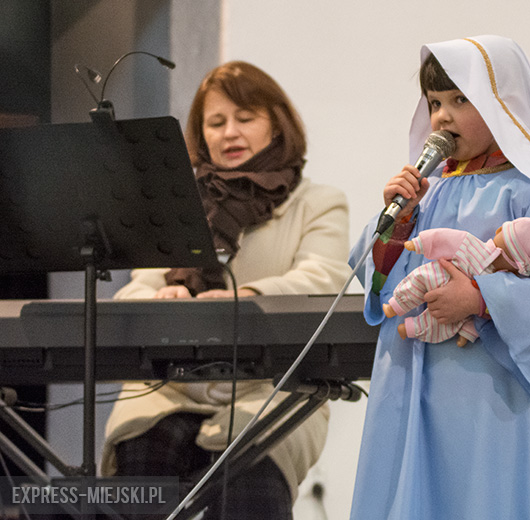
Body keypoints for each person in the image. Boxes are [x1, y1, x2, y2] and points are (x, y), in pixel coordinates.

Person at [348, 35, 530, 519]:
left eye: (460, 100)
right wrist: (397, 222)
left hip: (489, 391)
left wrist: (480, 297)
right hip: (411, 379)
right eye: (434, 102)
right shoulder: (427, 191)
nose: (442, 116)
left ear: (504, 107)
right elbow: (377, 280)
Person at [100, 61, 351, 519]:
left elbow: (323, 280)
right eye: (216, 123)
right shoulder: (178, 203)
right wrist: (162, 299)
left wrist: (246, 296)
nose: (229, 132)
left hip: (271, 390)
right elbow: (134, 292)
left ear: (277, 123)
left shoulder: (318, 202)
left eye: (245, 117)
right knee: (138, 474)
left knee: (249, 485)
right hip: (168, 388)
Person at [383, 217, 530, 347]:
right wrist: (420, 242)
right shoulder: (472, 247)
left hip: (458, 315)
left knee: (445, 323)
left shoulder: (497, 281)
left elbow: (482, 319)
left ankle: (409, 328)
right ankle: (396, 306)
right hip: (438, 274)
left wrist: (475, 307)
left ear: (499, 231)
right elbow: (444, 239)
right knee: (420, 280)